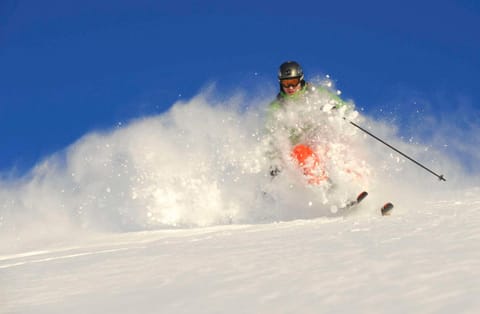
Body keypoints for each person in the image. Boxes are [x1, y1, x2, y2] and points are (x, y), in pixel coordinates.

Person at [265, 61, 354, 185]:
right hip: (298, 152)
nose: (290, 87)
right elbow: (271, 137)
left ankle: (357, 184)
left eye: (293, 82)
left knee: (338, 146)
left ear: (300, 80)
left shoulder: (315, 92)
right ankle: (327, 189)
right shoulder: (277, 107)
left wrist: (335, 109)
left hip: (320, 140)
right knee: (301, 151)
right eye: (286, 83)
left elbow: (345, 109)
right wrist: (273, 162)